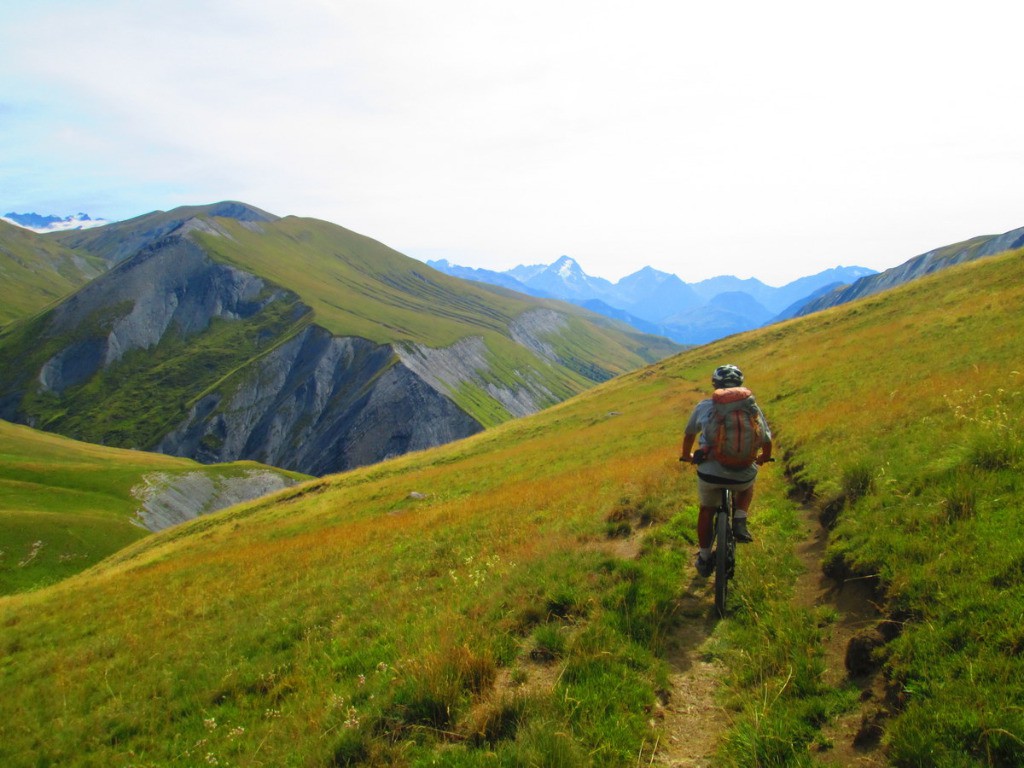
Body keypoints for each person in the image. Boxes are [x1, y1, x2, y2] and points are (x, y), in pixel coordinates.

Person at [680, 364, 773, 577]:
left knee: (706, 509)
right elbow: (766, 439)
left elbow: (688, 436)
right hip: (742, 472)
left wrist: (688, 456)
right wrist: (763, 458)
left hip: (710, 473)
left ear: (715, 385)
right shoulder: (752, 408)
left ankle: (704, 557)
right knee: (748, 484)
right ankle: (740, 519)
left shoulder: (704, 406)